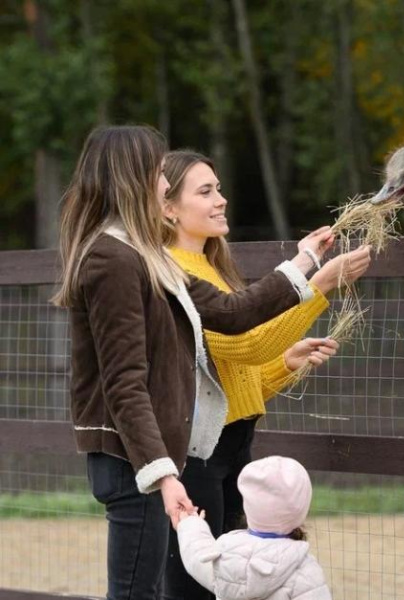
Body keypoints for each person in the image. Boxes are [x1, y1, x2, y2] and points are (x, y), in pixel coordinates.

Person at [53, 125, 370, 600]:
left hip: (153, 454)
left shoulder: (141, 256)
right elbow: (124, 382)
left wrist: (305, 262)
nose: (162, 182)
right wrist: (162, 476)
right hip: (132, 458)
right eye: (158, 172)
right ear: (134, 178)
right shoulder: (114, 259)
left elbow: (232, 313)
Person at [159, 150, 367, 600]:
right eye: (205, 191)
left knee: (230, 581)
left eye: (219, 188)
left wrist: (283, 365)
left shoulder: (212, 269)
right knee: (191, 586)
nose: (221, 200)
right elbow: (245, 343)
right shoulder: (176, 272)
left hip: (235, 445)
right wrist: (320, 285)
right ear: (169, 208)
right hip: (198, 452)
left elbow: (232, 369)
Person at [176, 456, 331, 600]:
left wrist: (190, 524)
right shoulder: (304, 571)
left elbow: (197, 553)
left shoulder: (226, 555)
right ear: (300, 509)